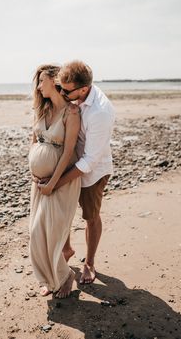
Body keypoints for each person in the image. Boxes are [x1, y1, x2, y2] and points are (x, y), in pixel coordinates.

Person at [40, 60, 115, 285]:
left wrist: (57, 182)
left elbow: (90, 161)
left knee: (91, 217)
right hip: (71, 163)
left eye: (66, 90)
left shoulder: (100, 112)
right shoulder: (75, 91)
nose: (62, 92)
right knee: (63, 212)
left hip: (93, 172)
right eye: (60, 87)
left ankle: (90, 263)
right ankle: (67, 249)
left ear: (83, 89)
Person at [28, 64, 81, 298]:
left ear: (54, 80)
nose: (39, 87)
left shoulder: (71, 112)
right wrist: (33, 166)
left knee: (48, 232)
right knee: (36, 232)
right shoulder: (43, 109)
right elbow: (34, 141)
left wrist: (53, 183)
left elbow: (68, 152)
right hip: (38, 182)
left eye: (42, 81)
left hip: (60, 182)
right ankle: (52, 279)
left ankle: (65, 276)